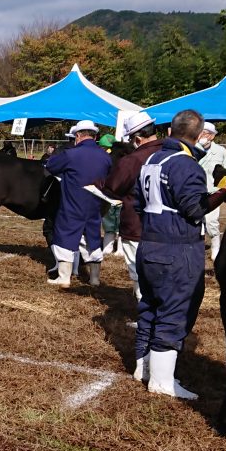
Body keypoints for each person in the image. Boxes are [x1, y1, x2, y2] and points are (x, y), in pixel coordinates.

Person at [133, 109, 226, 398]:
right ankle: (162, 382)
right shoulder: (186, 165)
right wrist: (224, 190)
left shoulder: (150, 159)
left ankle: (143, 366)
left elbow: (138, 203)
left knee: (149, 306)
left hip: (149, 242)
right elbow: (194, 208)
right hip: (177, 247)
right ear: (200, 135)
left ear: (168, 132)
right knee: (175, 310)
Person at [102, 112, 161, 315]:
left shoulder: (134, 159)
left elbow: (113, 188)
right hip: (169, 227)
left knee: (140, 275)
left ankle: (147, 319)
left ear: (136, 139)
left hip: (137, 225)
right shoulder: (173, 153)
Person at [45, 120, 112, 286]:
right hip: (95, 205)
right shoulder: (105, 156)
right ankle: (95, 278)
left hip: (72, 204)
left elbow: (51, 166)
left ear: (77, 136)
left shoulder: (71, 154)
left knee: (65, 236)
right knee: (93, 239)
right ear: (95, 136)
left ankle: (64, 277)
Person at [196, 122, 226, 262]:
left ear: (212, 136)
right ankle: (197, 246)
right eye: (200, 132)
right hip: (195, 191)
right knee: (196, 221)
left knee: (212, 222)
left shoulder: (220, 151)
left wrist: (225, 190)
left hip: (213, 192)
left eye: (206, 133)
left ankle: (215, 244)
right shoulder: (192, 148)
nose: (202, 136)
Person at [98, 134, 122, 254]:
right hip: (115, 194)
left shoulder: (109, 160)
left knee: (114, 221)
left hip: (112, 194)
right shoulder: (124, 159)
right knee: (112, 221)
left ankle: (113, 248)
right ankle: (110, 247)